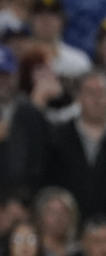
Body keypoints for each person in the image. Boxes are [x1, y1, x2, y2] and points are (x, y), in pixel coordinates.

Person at [43, 72, 106, 221]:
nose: (97, 99)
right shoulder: (57, 137)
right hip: (67, 225)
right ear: (79, 96)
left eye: (102, 93)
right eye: (91, 92)